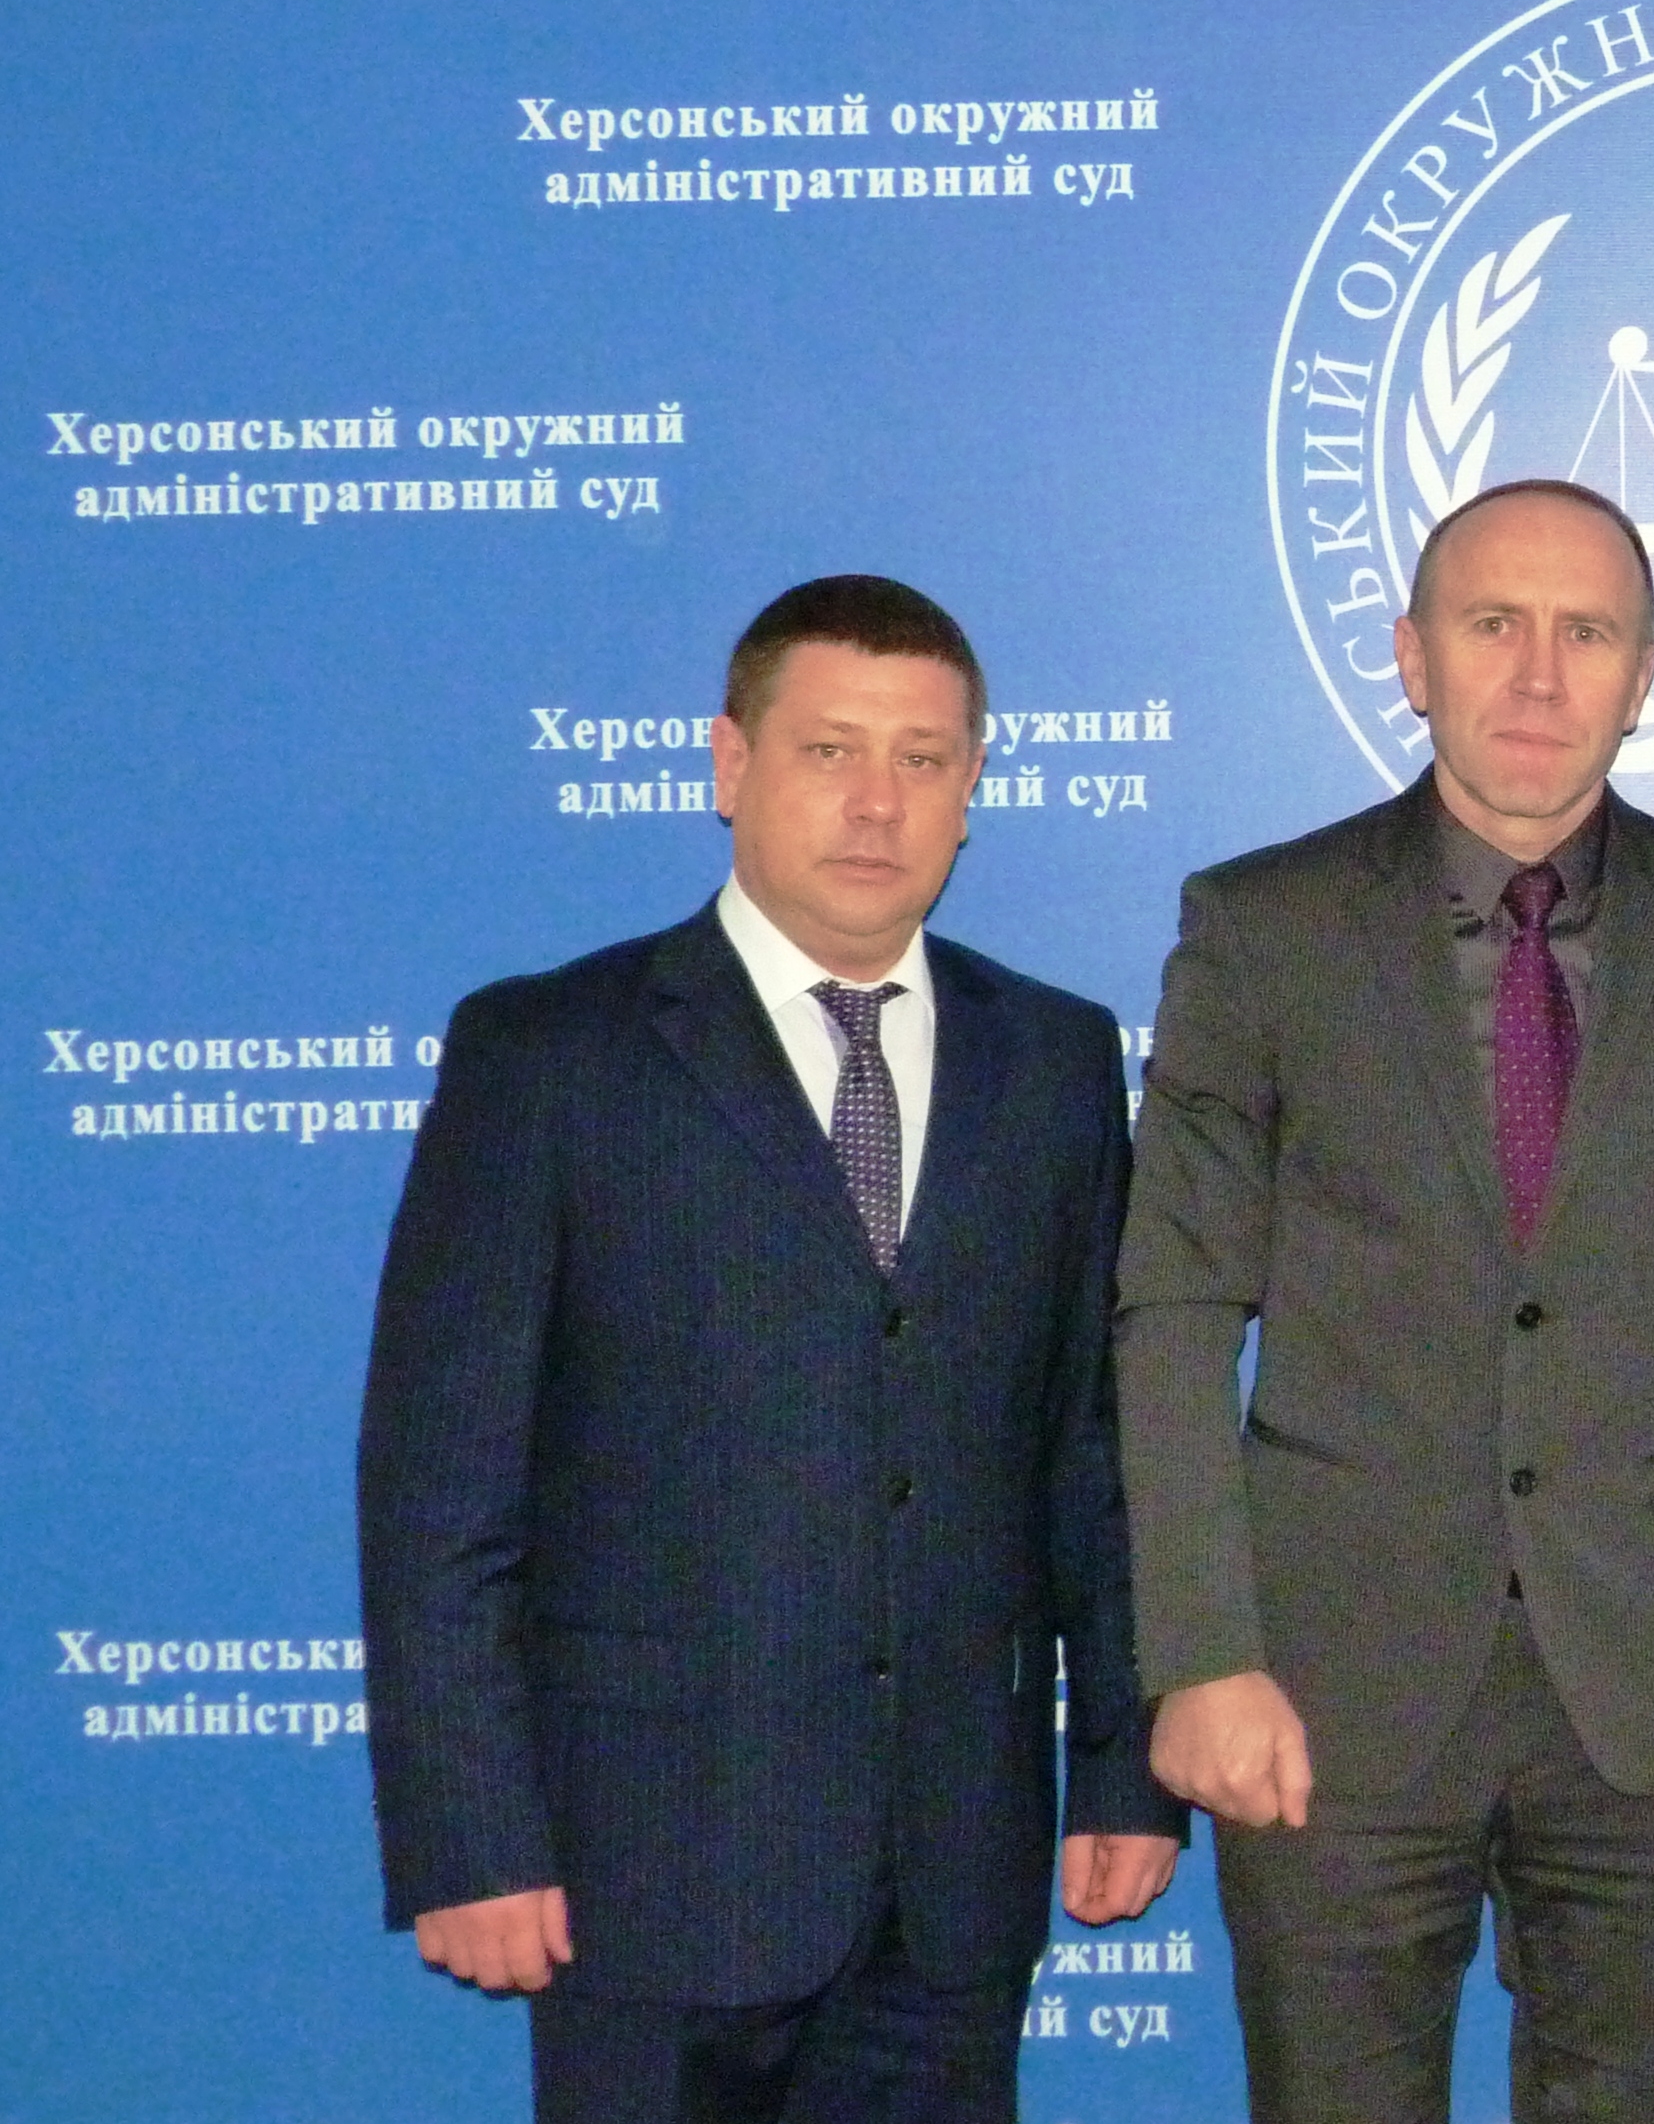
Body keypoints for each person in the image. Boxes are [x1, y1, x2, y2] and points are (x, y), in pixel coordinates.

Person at [358, 574, 1181, 2124]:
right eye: (830, 750)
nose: (878, 802)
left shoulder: (1058, 1061)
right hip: (643, 1872)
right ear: (731, 764)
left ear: (971, 791)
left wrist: (1126, 1767)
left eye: (923, 759)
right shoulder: (549, 1052)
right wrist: (471, 1836)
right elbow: (440, 1488)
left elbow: (1096, 1452)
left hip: (951, 1886)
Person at [1114, 478, 1654, 2123]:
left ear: (1644, 676)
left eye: (1588, 633)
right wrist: (1203, 1654)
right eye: (1494, 623)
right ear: (1410, 655)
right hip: (1326, 1684)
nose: (1539, 673)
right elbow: (1173, 1308)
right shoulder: (1263, 927)